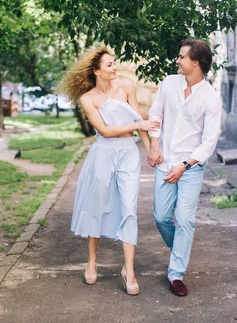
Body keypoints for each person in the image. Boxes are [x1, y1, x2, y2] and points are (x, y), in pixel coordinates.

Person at [58, 46, 160, 296]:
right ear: (96, 71)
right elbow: (105, 130)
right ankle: (92, 261)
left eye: (115, 63)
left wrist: (149, 150)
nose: (115, 67)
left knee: (129, 208)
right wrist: (139, 124)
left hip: (127, 153)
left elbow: (139, 124)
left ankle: (129, 270)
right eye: (109, 65)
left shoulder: (127, 87)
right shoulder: (87, 98)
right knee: (98, 205)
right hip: (103, 154)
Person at [147, 38, 223, 296]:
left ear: (196, 62)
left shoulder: (211, 98)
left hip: (190, 168)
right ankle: (182, 247)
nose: (177, 60)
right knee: (161, 216)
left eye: (182, 57)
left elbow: (209, 141)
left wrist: (184, 165)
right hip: (164, 162)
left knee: (186, 220)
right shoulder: (169, 83)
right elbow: (155, 116)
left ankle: (176, 274)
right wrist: (154, 146)